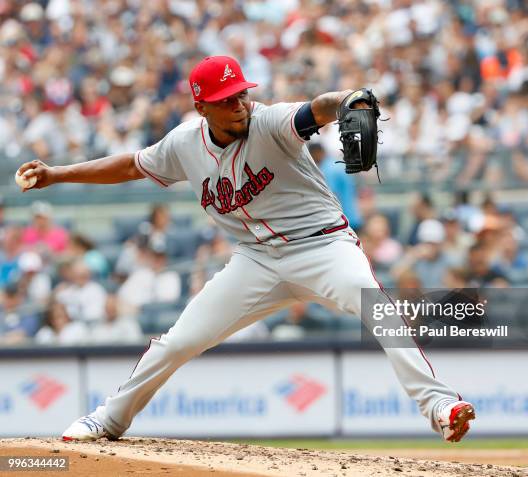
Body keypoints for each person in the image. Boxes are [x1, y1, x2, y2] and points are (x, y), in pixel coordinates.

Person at [17, 56, 474, 443]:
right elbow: (130, 166)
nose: (239, 104)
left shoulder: (269, 122)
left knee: (378, 309)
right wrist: (58, 174)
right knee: (179, 341)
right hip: (255, 260)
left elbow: (319, 108)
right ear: (201, 106)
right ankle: (110, 418)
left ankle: (438, 405)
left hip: (323, 247)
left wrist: (350, 99)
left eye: (241, 93)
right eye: (226, 100)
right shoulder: (183, 144)